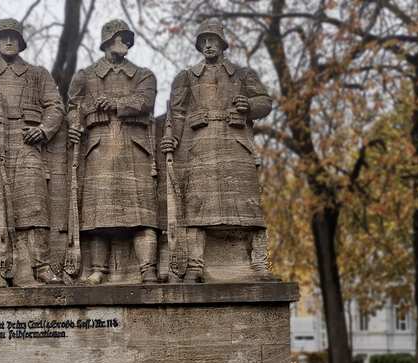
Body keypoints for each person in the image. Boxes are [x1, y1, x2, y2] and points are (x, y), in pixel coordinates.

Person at [160, 19, 273, 283]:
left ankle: (259, 263)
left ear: (222, 43)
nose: (208, 45)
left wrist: (248, 106)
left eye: (212, 40)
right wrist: (172, 139)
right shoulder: (186, 77)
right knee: (198, 205)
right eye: (203, 41)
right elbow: (176, 113)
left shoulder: (243, 75)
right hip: (202, 147)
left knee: (248, 205)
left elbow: (265, 102)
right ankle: (196, 264)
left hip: (235, 144)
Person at [0, 18, 64, 285]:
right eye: (3, 37)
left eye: (13, 37)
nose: (8, 41)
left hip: (28, 140)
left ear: (20, 42)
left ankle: (41, 266)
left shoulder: (38, 73)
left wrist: (44, 130)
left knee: (35, 204)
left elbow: (55, 106)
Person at [67, 19, 159, 285]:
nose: (126, 43)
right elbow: (72, 106)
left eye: (129, 39)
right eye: (122, 37)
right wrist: (75, 124)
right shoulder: (85, 76)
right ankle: (98, 270)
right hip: (99, 147)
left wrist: (116, 102)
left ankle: (147, 269)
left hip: (134, 148)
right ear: (107, 40)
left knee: (142, 213)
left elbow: (146, 101)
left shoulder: (144, 75)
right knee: (100, 215)